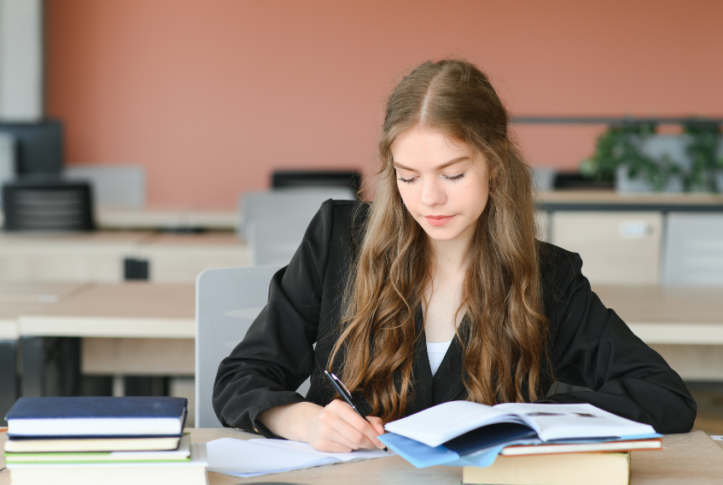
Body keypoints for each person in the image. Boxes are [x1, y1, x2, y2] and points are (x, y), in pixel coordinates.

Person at [213, 59, 696, 453]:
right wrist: (300, 419)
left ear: (495, 165)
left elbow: (665, 397)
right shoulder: (337, 239)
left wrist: (529, 420)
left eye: (452, 174)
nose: (429, 200)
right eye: (407, 176)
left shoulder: (549, 276)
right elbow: (241, 377)